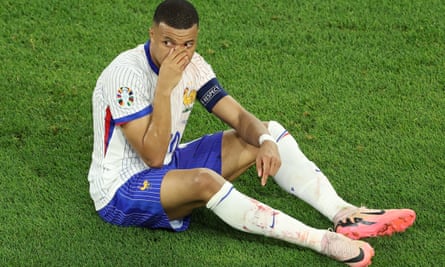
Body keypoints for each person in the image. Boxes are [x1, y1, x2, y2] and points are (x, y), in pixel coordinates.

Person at [88, 1, 416, 266]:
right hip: (123, 188)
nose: (178, 53)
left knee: (264, 132)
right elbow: (153, 156)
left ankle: (344, 213)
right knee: (204, 180)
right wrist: (163, 89)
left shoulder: (194, 65)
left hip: (170, 165)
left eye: (187, 44)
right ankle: (321, 240)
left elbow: (239, 116)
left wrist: (266, 141)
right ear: (151, 34)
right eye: (168, 43)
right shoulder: (125, 75)